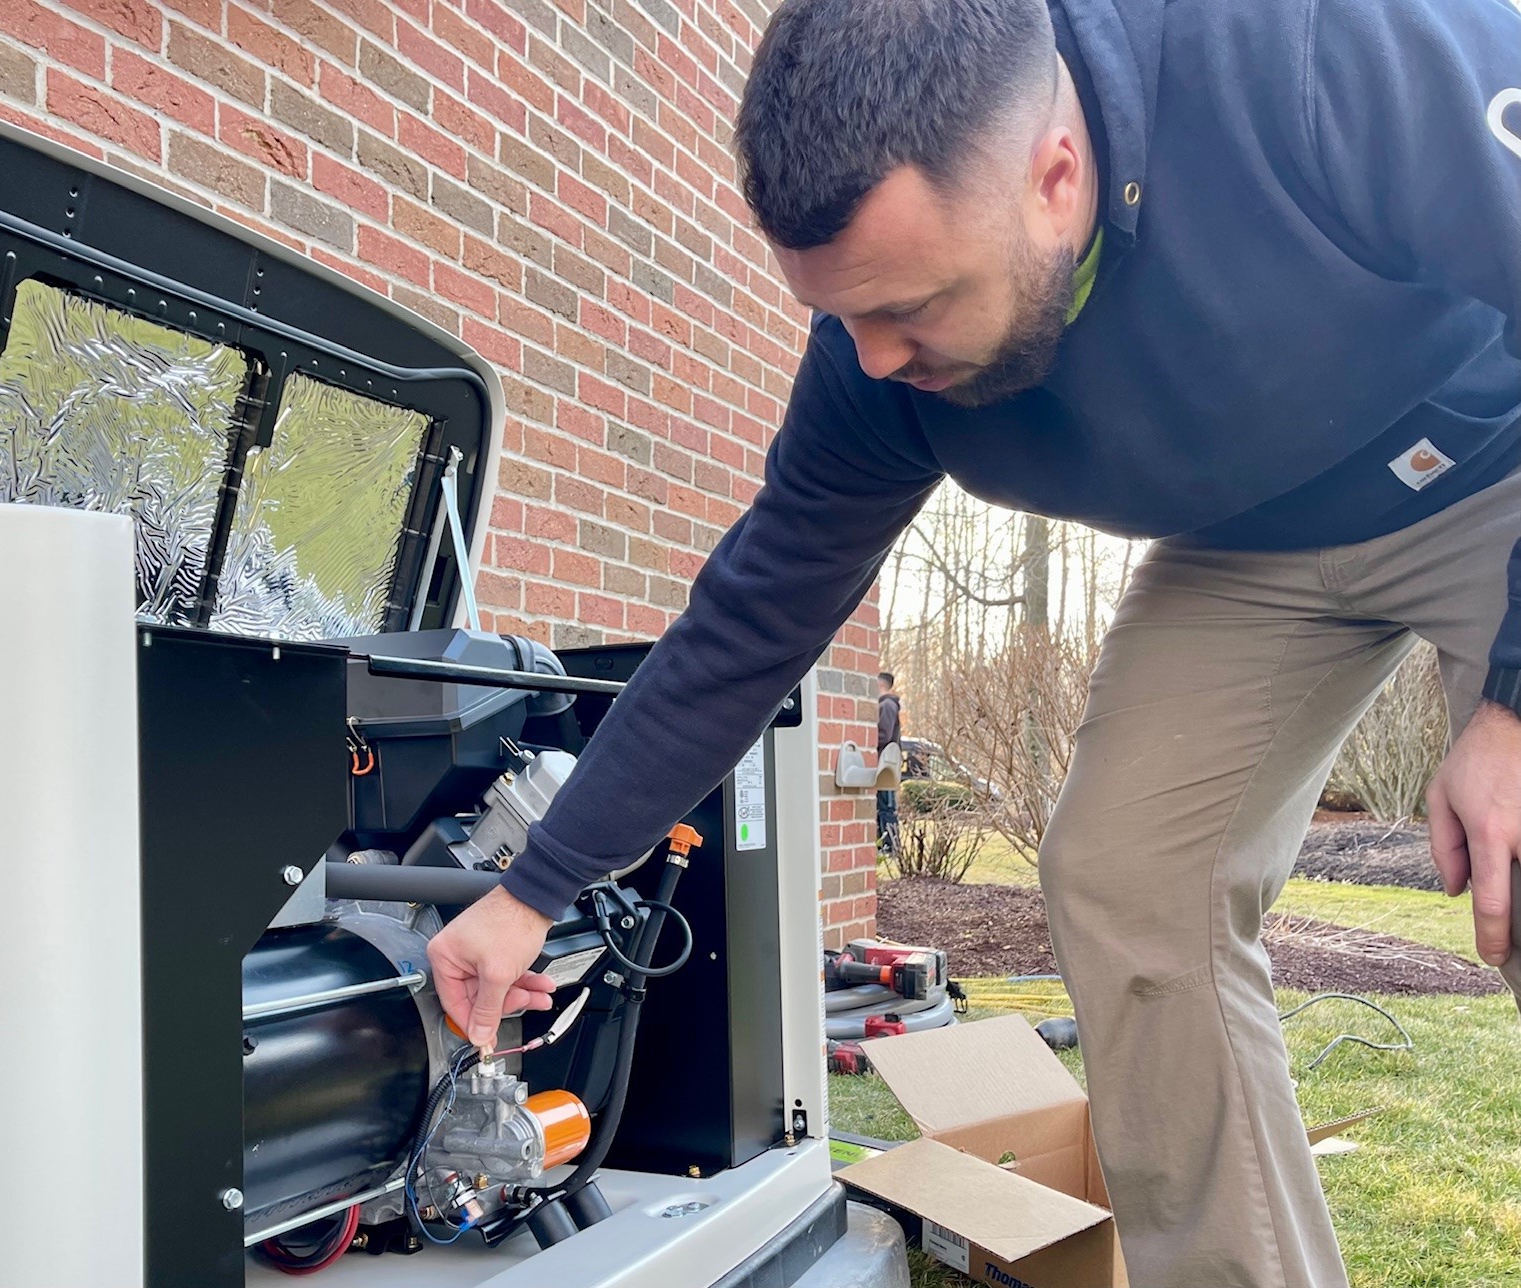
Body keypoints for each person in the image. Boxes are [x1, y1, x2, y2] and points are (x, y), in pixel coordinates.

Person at [428, 0, 1521, 1283]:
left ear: (1056, 177)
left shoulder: (1312, 53)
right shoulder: (871, 375)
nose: (878, 360)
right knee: (1125, 879)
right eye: (844, 318)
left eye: (915, 307)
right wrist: (532, 889)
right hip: (1245, 548)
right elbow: (745, 628)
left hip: (1487, 468)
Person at [875, 671, 902, 855]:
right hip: (884, 762)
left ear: (880, 685)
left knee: (886, 806)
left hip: (886, 764)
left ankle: (890, 845)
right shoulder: (887, 705)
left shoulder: (887, 705)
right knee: (883, 805)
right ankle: (884, 843)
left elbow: (883, 735)